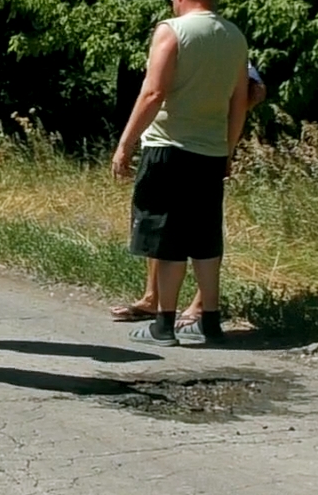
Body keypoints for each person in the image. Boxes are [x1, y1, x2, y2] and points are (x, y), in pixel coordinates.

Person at [111, 0, 249, 347]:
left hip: (168, 149)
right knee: (205, 237)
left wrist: (125, 144)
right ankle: (211, 322)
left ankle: (164, 325)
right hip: (210, 152)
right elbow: (240, 101)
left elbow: (153, 93)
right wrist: (229, 148)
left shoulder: (171, 32)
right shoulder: (235, 37)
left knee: (165, 235)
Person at [110, 61, 267, 333]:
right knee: (160, 223)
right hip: (168, 141)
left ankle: (200, 307)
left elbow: (255, 89)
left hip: (204, 146)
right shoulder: (172, 37)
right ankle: (152, 299)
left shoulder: (218, 40)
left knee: (200, 228)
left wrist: (226, 128)